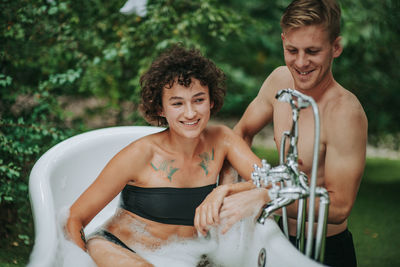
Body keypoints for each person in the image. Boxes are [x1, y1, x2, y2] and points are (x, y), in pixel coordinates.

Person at [65, 45, 263, 266]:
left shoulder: (222, 140)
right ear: (161, 108)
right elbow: (74, 218)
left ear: (212, 101)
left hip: (185, 255)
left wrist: (225, 190)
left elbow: (275, 182)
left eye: (198, 100)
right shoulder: (140, 154)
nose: (190, 113)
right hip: (117, 247)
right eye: (177, 103)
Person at [216, 1, 368, 266]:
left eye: (312, 51)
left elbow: (341, 206)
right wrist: (230, 190)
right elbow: (240, 133)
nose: (300, 62)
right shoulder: (279, 80)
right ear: (283, 40)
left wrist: (266, 196)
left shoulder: (345, 113)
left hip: (324, 249)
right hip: (276, 236)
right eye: (292, 50)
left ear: (336, 47)